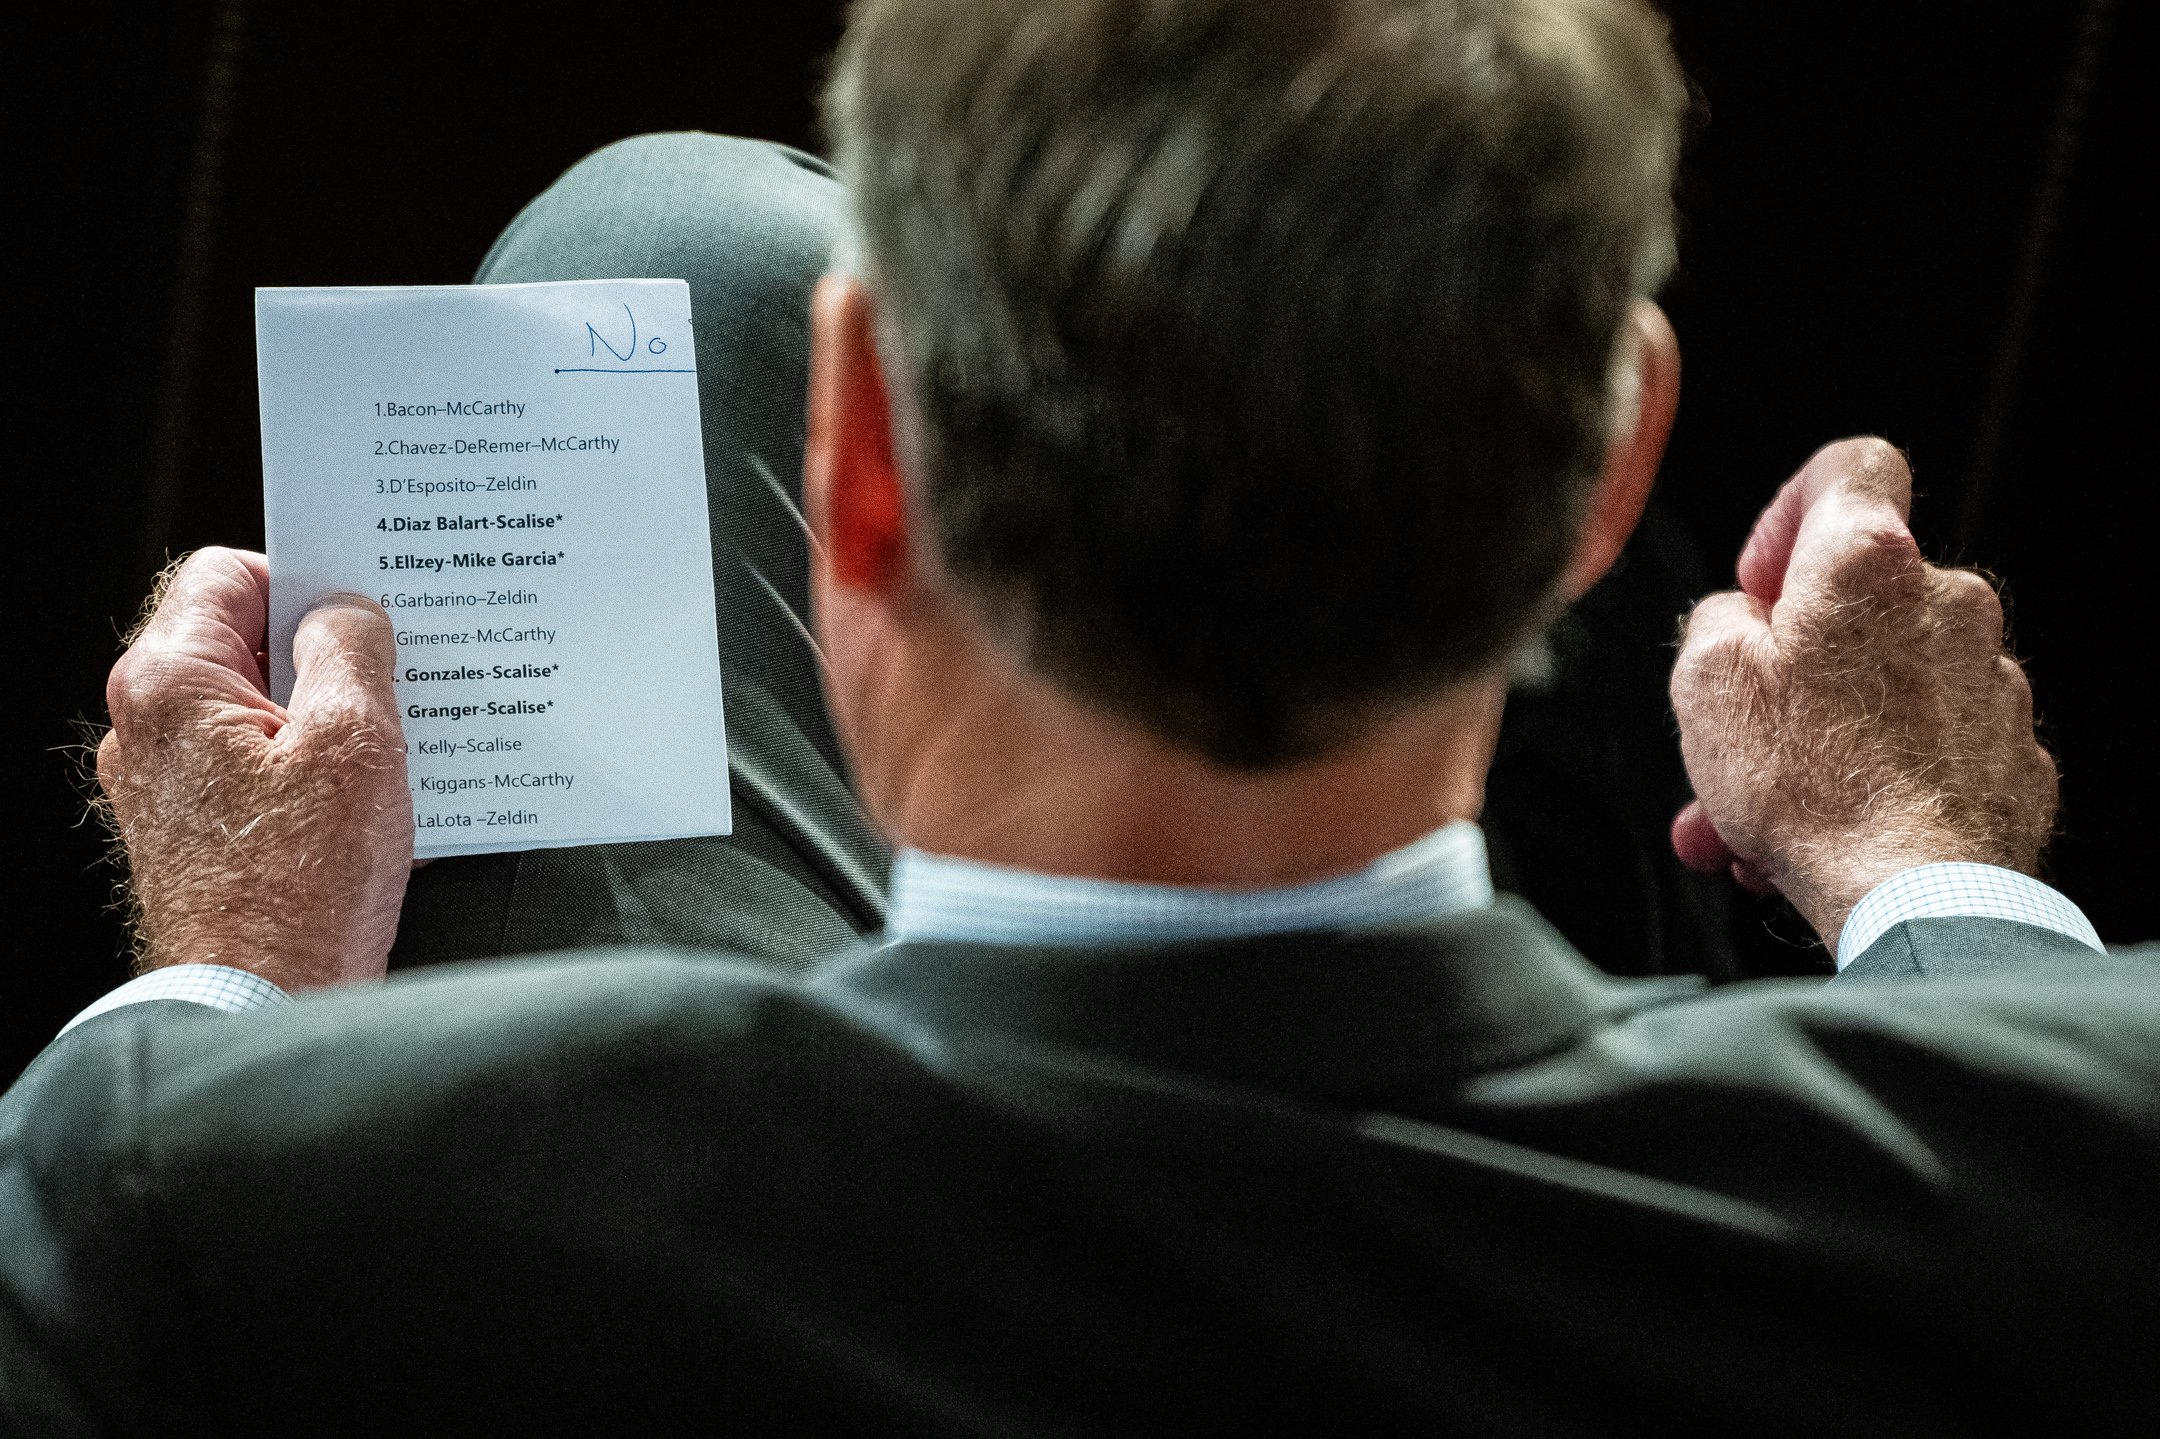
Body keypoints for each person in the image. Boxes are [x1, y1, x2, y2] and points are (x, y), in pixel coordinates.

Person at [5, 0, 2156, 1432]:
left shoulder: (212, 1211)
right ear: (1609, 485)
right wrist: (1928, 869)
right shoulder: (2079, 1159)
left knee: (658, 235)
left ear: (856, 456)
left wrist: (234, 970)